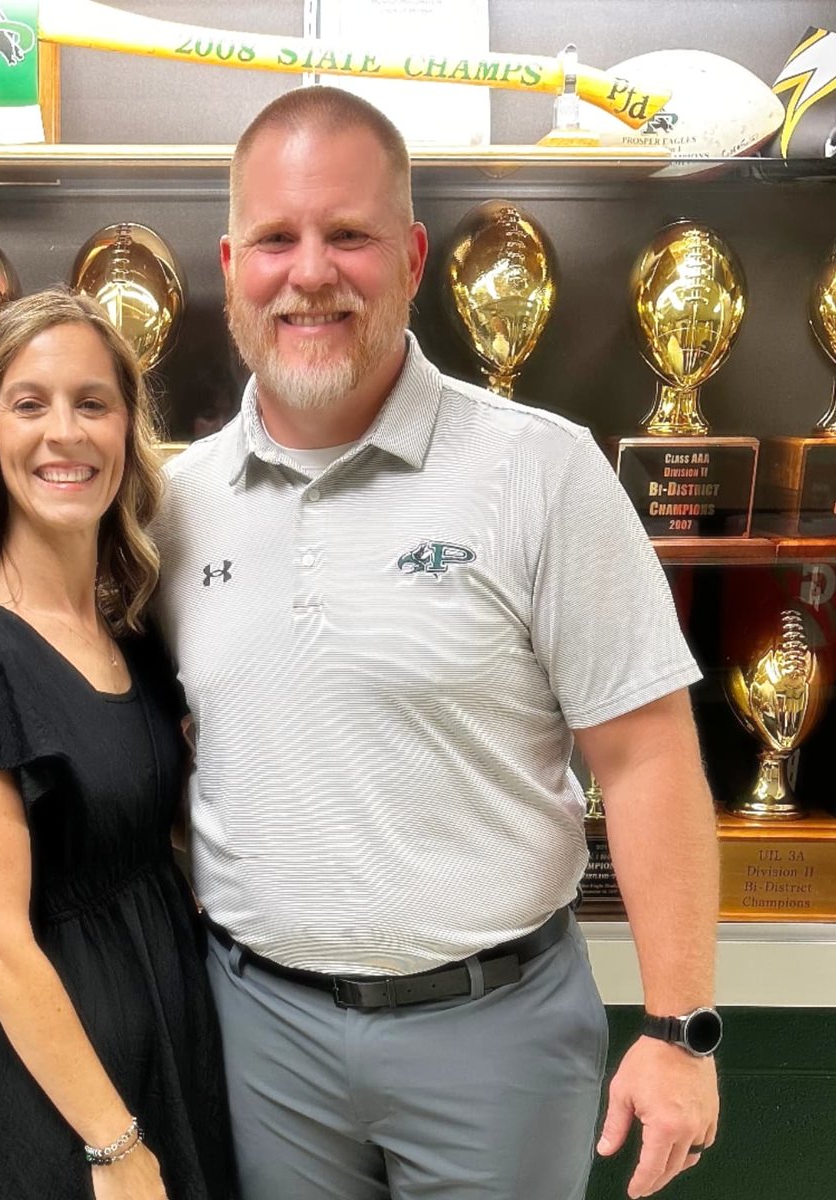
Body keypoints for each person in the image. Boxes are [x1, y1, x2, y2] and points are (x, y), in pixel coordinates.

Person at [151, 87, 721, 1200]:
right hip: (259, 1036)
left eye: (348, 235)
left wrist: (681, 1028)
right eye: (277, 237)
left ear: (411, 256)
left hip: (495, 1036)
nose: (310, 272)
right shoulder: (172, 504)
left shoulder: (542, 473)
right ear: (232, 267)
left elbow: (648, 757)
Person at [0, 289, 232, 1200]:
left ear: (126, 431)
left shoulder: (131, 635)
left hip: (175, 1036)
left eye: (91, 403)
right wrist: (115, 1148)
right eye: (29, 403)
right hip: (74, 1100)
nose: (63, 433)